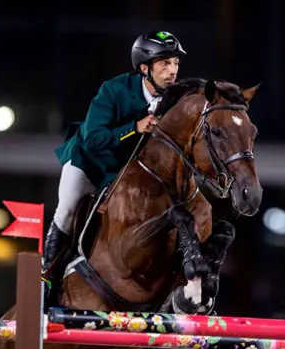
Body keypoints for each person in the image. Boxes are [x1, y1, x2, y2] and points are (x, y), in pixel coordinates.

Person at [41, 30, 187, 301]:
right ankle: (45, 280)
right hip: (90, 163)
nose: (172, 70)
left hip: (126, 172)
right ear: (145, 68)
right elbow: (94, 138)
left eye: (176, 63)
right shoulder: (114, 89)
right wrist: (135, 127)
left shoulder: (175, 99)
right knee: (67, 210)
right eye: (165, 63)